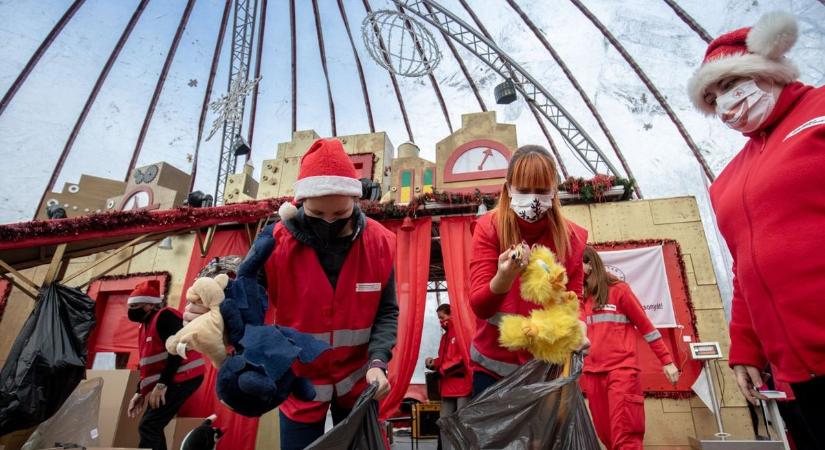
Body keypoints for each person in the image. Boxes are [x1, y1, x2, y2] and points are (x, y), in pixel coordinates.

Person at [186, 138, 398, 450]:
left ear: (356, 199)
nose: (328, 222)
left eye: (339, 214)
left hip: (359, 382)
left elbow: (387, 311)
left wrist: (379, 361)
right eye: (316, 214)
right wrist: (214, 315)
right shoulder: (274, 243)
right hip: (298, 383)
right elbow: (244, 300)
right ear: (298, 205)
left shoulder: (380, 243)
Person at [687, 11, 825, 446]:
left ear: (766, 69)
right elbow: (745, 269)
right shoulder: (727, 180)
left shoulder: (820, 113)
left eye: (729, 84)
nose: (724, 102)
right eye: (712, 97)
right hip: (797, 376)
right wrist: (746, 346)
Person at [468, 144, 589, 396]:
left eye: (542, 190)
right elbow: (480, 306)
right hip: (492, 372)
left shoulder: (572, 238)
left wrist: (580, 328)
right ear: (508, 188)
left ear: (554, 190)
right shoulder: (489, 228)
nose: (533, 199)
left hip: (548, 367)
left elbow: (573, 299)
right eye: (523, 190)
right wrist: (504, 277)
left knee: (544, 437)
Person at [579, 246, 679, 450]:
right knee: (605, 434)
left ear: (589, 265)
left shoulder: (619, 291)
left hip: (621, 372)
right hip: (592, 375)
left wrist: (667, 361)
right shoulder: (578, 299)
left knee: (625, 435)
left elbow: (647, 327)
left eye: (574, 263)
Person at [126, 280, 205, 450]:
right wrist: (139, 392)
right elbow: (151, 367)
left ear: (149, 305)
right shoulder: (145, 325)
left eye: (135, 306)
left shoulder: (165, 317)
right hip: (174, 378)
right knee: (151, 425)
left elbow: (177, 350)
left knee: (149, 425)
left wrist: (162, 385)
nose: (131, 311)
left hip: (185, 376)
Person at [425, 304, 471, 450]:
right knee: (444, 423)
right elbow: (446, 360)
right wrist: (434, 363)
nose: (440, 321)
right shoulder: (445, 337)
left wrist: (442, 371)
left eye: (442, 317)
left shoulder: (461, 332)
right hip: (447, 386)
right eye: (439, 318)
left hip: (462, 386)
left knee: (461, 424)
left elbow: (462, 359)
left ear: (451, 315)